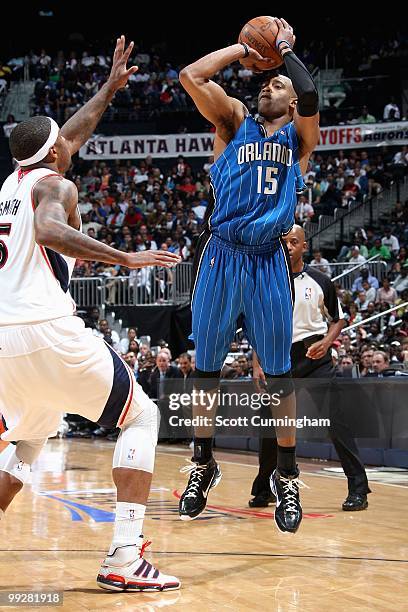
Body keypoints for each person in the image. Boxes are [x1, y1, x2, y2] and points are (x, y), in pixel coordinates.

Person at [0, 36, 181, 593]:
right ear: (55, 156)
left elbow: (69, 136)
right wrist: (123, 256)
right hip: (46, 326)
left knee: (29, 440)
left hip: (3, 340)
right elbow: (54, 229)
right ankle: (125, 555)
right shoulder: (55, 184)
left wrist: (108, 88)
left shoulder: (12, 183)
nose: (70, 146)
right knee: (141, 416)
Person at [178, 18, 319, 533]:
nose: (268, 85)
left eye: (275, 83)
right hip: (221, 254)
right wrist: (243, 47)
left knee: (278, 376)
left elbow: (307, 91)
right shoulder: (233, 120)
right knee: (206, 369)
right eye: (266, 80)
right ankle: (202, 461)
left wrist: (282, 53)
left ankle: (287, 475)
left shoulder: (299, 140)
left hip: (265, 259)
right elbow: (191, 75)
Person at [250, 226, 370, 511]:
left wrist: (327, 342)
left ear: (304, 246)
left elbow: (338, 319)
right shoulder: (264, 282)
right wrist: (257, 364)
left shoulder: (320, 280)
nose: (288, 246)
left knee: (334, 423)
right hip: (278, 359)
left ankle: (359, 489)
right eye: (283, 242)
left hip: (315, 358)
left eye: (294, 242)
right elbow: (258, 326)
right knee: (270, 427)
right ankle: (265, 488)